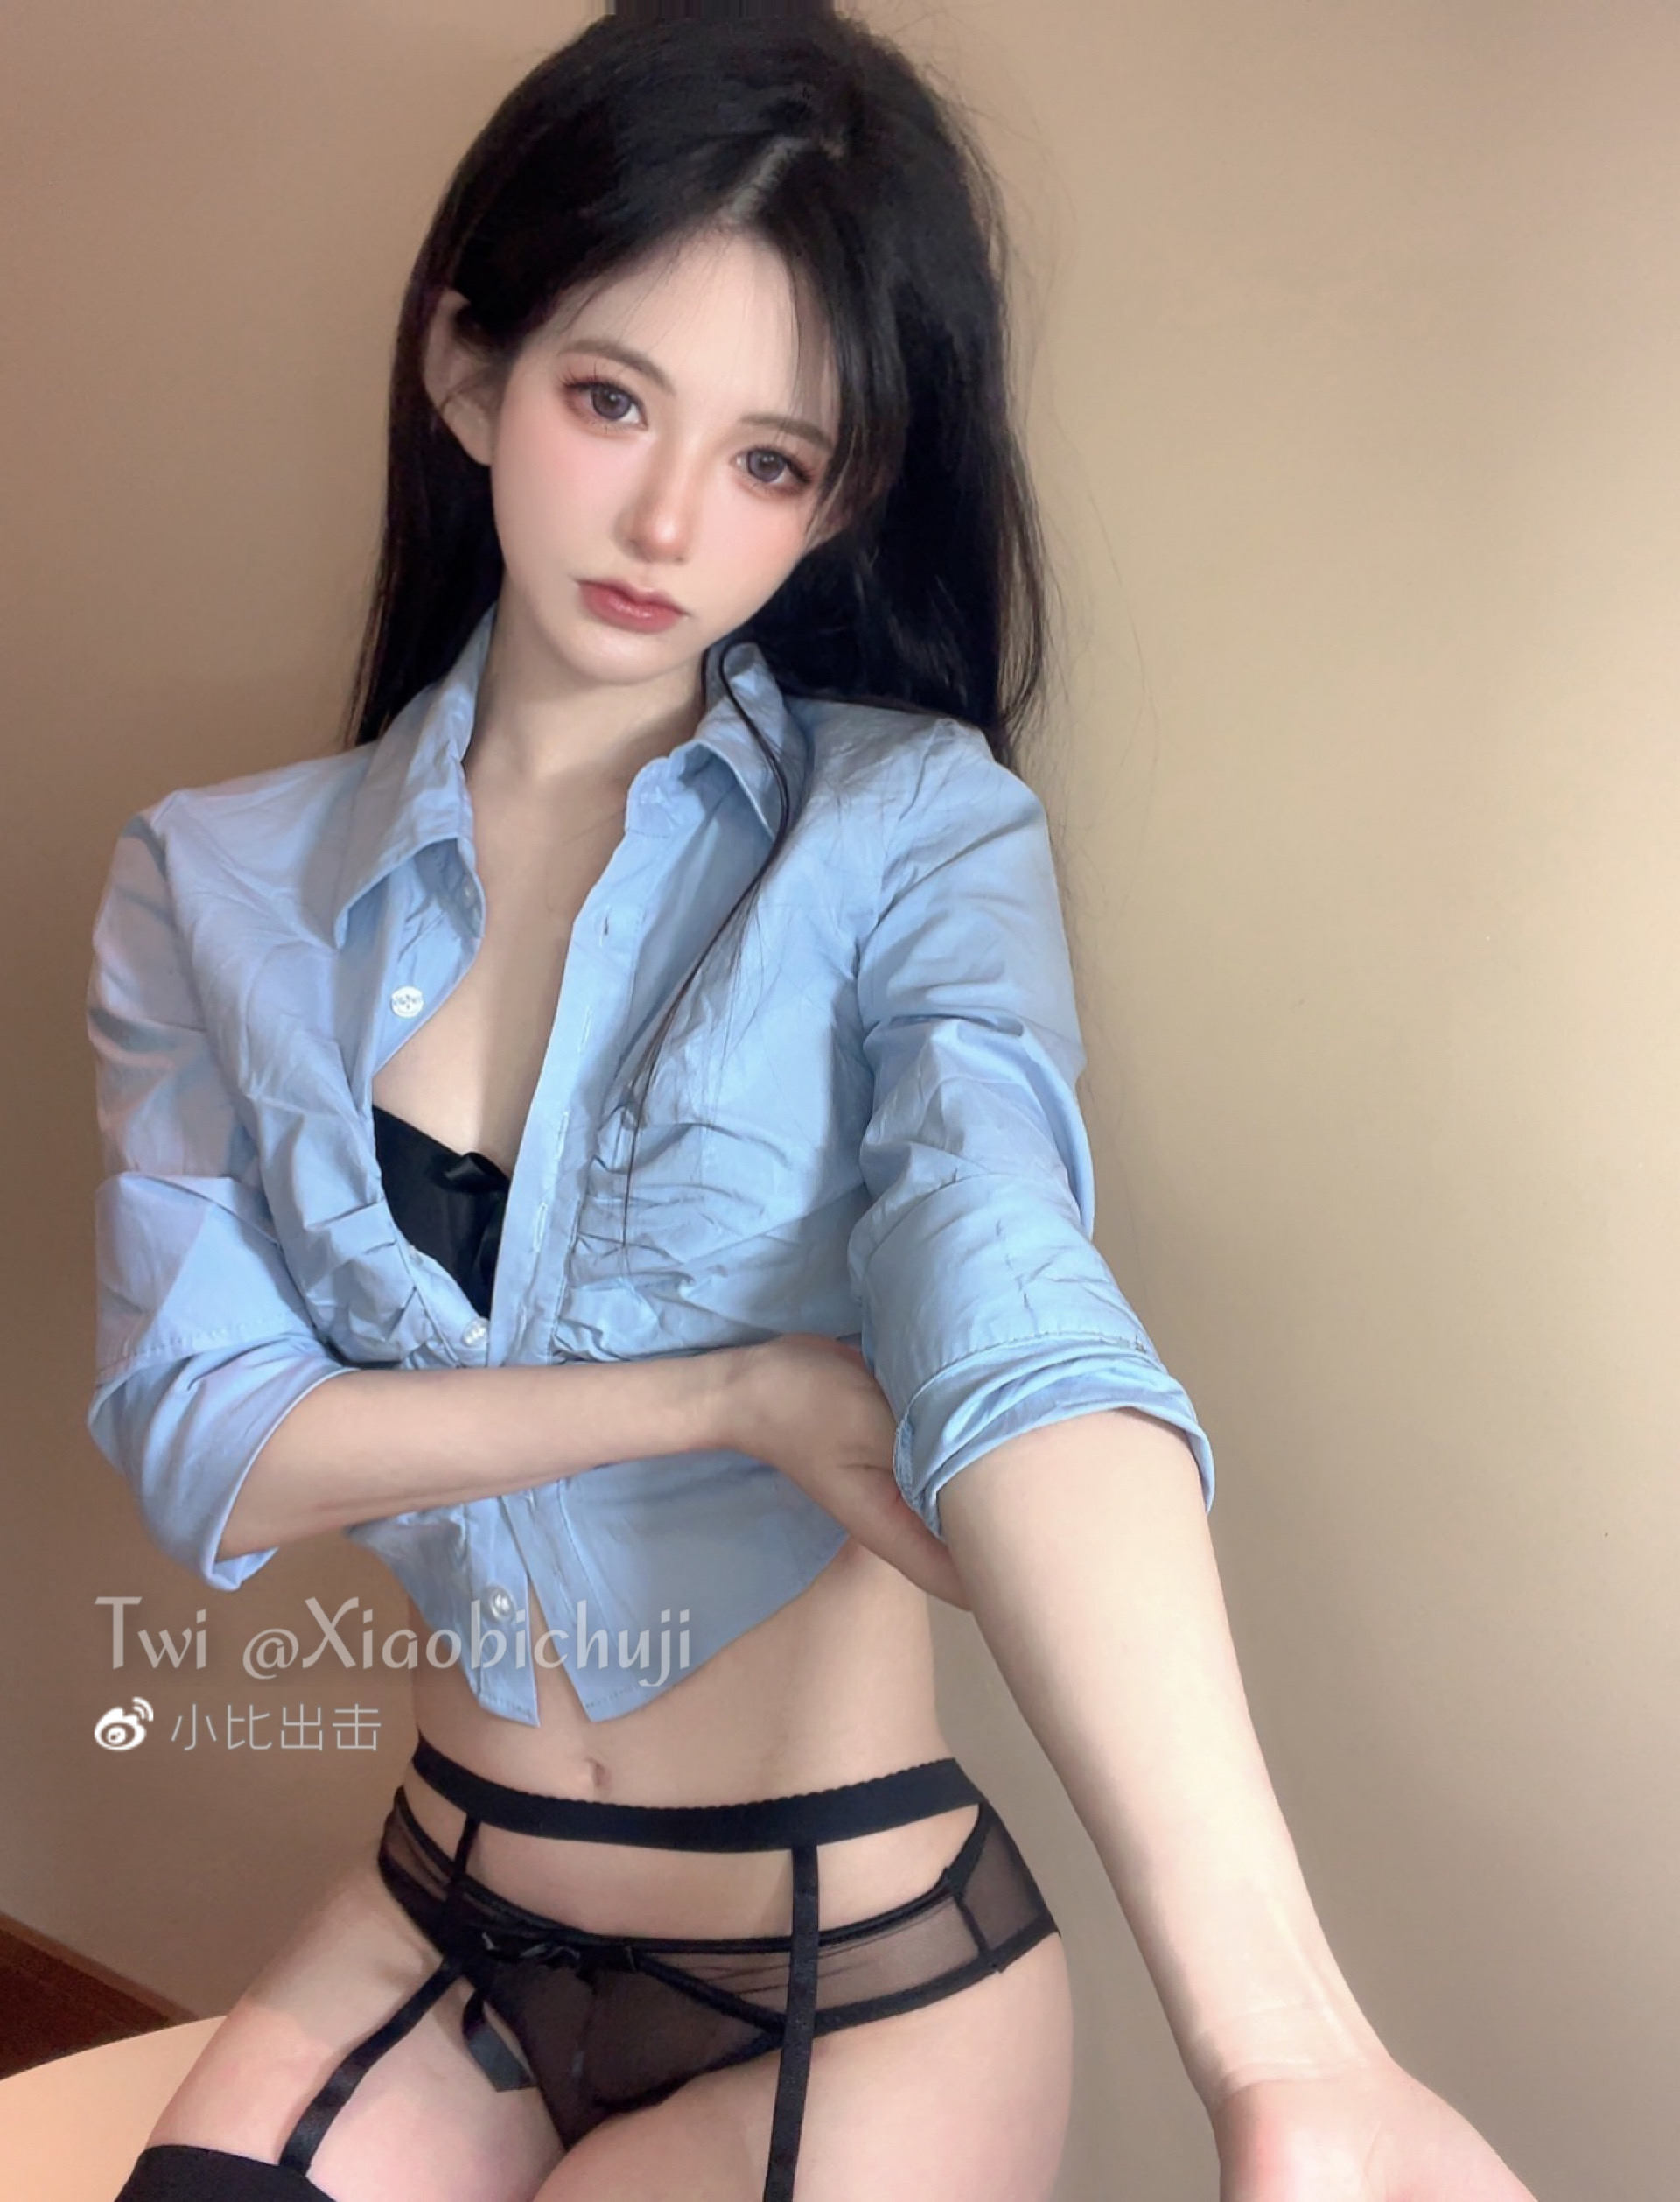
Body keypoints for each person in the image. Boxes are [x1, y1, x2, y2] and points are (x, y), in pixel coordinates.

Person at [84, 4, 1542, 2198]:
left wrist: (1287, 2048)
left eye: (773, 459)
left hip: (850, 1963)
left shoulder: (914, 834)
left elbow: (1010, 1302)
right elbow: (212, 1432)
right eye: (610, 399)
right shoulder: (208, 882)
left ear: (845, 494)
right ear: (471, 372)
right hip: (432, 1912)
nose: (671, 517)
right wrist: (735, 1394)